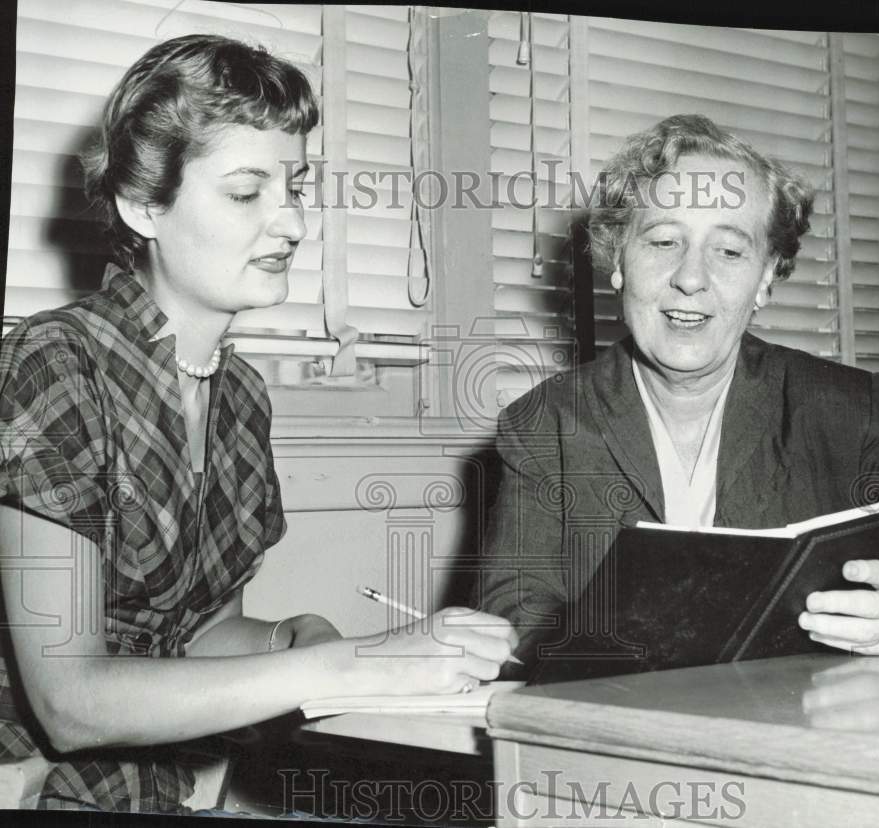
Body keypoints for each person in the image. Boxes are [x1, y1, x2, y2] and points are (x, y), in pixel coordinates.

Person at [0, 34, 515, 813]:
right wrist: (350, 667)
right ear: (144, 205)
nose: (292, 225)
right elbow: (71, 703)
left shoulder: (238, 393)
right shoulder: (54, 362)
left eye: (295, 187)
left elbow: (200, 635)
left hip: (156, 780)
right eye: (247, 193)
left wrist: (299, 637)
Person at [477, 114, 879, 667]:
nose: (691, 278)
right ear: (617, 261)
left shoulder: (841, 409)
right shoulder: (545, 423)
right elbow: (513, 613)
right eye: (664, 240)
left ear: (768, 275)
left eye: (730, 251)